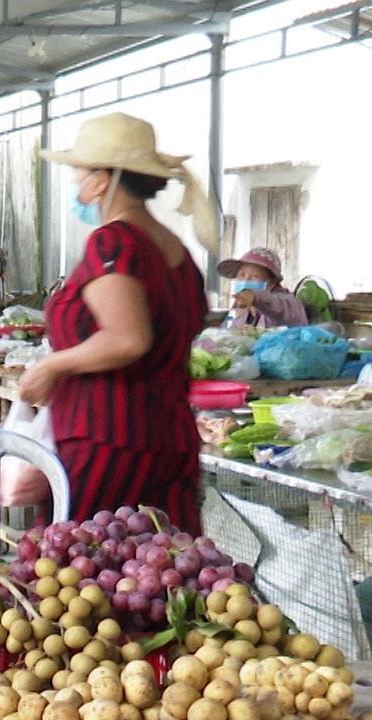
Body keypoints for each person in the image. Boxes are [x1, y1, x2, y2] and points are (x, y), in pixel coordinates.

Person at [15, 113, 219, 536]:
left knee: (76, 576)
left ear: (104, 179)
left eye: (80, 172)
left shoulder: (113, 241)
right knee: (166, 577)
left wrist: (50, 367)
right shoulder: (175, 251)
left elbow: (128, 339)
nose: (75, 183)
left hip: (109, 439)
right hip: (171, 438)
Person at [219, 246, 307, 330]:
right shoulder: (244, 313)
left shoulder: (288, 304)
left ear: (272, 282)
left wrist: (254, 297)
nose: (246, 280)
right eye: (242, 275)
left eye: (255, 276)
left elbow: (277, 304)